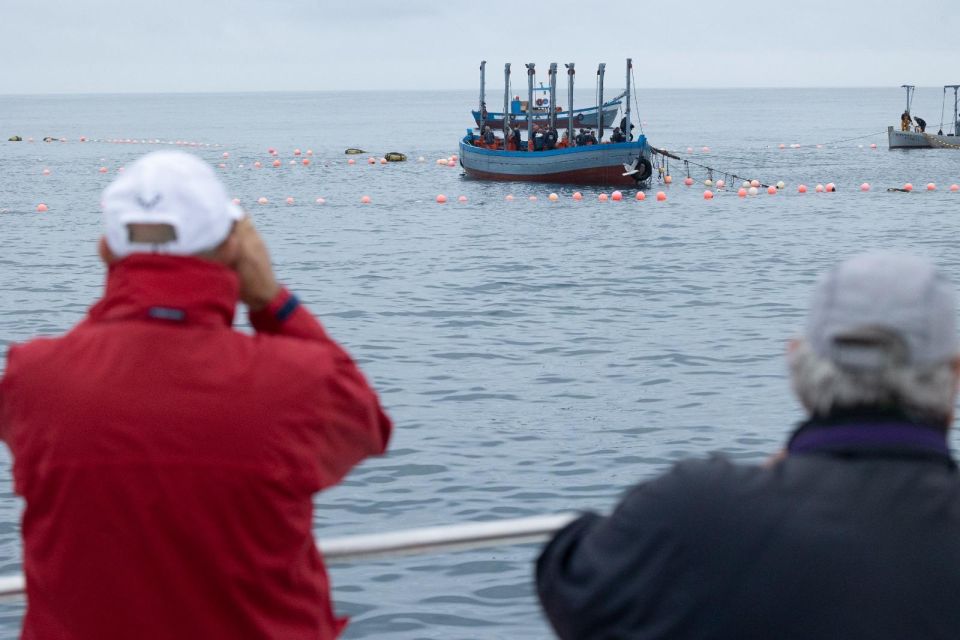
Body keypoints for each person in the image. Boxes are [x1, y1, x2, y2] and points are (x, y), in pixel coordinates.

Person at [0, 150, 393, 639]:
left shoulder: (32, 378)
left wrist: (116, 316)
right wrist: (273, 301)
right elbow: (369, 428)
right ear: (233, 246)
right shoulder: (296, 380)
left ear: (106, 249)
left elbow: (86, 377)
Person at [537, 252, 960, 639]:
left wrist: (762, 483)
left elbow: (570, 581)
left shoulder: (698, 511)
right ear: (953, 376)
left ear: (796, 364)